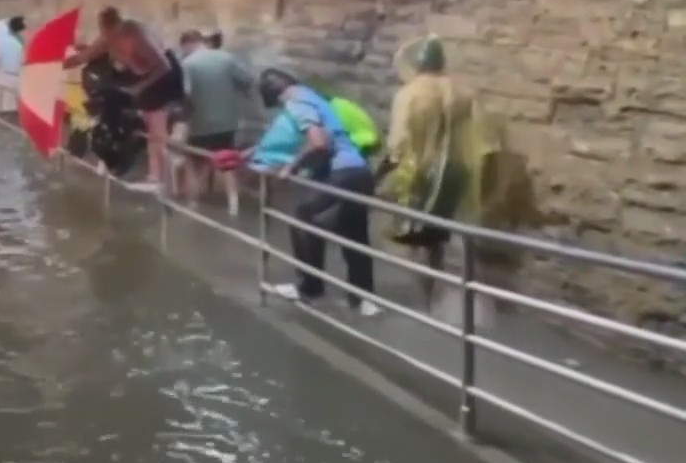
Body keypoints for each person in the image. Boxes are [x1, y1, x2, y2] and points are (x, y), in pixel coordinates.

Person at [377, 35, 543, 326]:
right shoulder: (465, 92)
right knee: (441, 236)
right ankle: (450, 298)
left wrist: (380, 173)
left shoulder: (410, 94)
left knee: (417, 238)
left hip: (422, 172)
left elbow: (400, 141)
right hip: (458, 170)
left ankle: (427, 302)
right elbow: (486, 138)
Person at [249, 68, 379, 316]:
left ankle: (310, 288)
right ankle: (363, 299)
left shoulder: (296, 103)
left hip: (341, 172)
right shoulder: (316, 99)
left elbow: (319, 143)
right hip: (360, 171)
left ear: (274, 93)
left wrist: (291, 167)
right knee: (354, 233)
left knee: (303, 216)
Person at [66, 8, 181, 190]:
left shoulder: (134, 34)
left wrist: (139, 87)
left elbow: (164, 66)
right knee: (143, 126)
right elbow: (83, 57)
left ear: (117, 26)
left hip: (164, 78)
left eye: (109, 31)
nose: (107, 36)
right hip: (143, 79)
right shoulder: (107, 37)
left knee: (156, 131)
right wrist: (56, 64)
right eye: (104, 31)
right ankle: (150, 175)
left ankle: (157, 179)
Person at [179, 30, 253, 216]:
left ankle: (193, 203)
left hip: (199, 123)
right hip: (227, 122)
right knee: (227, 162)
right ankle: (233, 204)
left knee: (194, 162)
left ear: (187, 44)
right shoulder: (227, 59)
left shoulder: (187, 64)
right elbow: (247, 80)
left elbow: (185, 95)